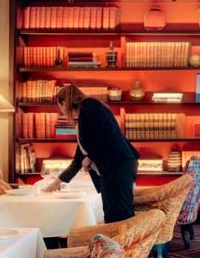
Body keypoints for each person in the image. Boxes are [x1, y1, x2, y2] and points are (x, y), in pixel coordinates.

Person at [38, 83, 140, 223]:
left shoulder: (89, 106)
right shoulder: (84, 115)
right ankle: (116, 244)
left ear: (64, 102)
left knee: (120, 215)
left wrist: (90, 157)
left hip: (118, 165)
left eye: (60, 107)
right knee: (112, 214)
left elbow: (109, 134)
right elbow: (79, 157)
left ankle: (126, 244)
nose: (61, 111)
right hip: (114, 167)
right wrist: (58, 181)